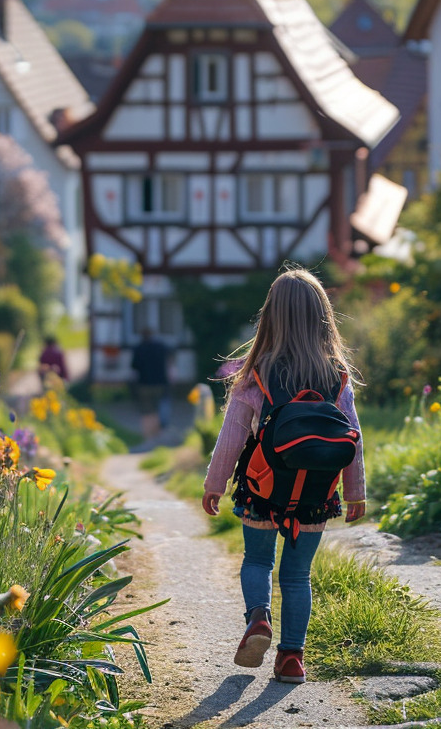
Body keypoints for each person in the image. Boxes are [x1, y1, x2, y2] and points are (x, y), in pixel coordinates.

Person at [200, 267, 366, 685]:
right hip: (315, 493)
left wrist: (213, 485)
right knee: (297, 575)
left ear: (270, 317)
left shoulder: (255, 375)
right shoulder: (337, 376)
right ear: (322, 317)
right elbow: (354, 439)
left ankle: (258, 617)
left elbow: (231, 439)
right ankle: (291, 658)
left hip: (263, 489)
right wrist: (355, 494)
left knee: (257, 559)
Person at [130, 329, 171, 435]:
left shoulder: (138, 348)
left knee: (147, 411)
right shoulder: (161, 347)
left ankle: (148, 434)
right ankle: (158, 433)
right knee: (158, 409)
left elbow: (134, 366)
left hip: (144, 384)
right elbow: (169, 361)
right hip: (160, 383)